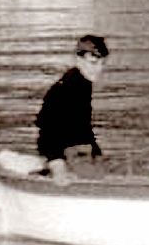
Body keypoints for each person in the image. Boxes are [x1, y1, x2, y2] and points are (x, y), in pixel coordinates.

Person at [36, 34, 108, 186]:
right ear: (78, 60)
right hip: (71, 157)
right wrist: (58, 166)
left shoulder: (83, 84)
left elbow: (84, 130)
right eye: (93, 63)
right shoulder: (63, 90)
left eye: (102, 63)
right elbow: (47, 132)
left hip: (83, 154)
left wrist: (98, 155)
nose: (99, 69)